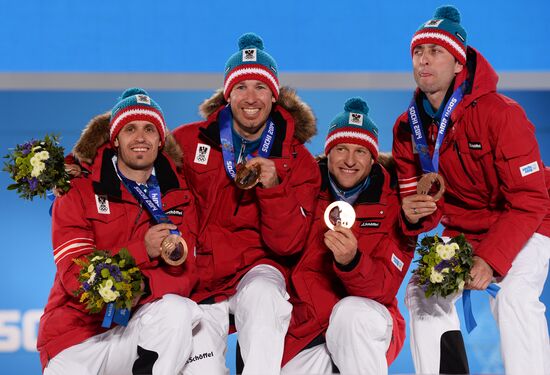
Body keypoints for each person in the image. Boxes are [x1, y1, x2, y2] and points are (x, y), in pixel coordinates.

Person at [392, 5, 550, 374]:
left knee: (513, 297)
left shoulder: (501, 113)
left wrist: (491, 259)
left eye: (436, 52)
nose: (424, 61)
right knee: (424, 291)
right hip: (463, 232)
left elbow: (530, 199)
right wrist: (414, 214)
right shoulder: (408, 127)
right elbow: (418, 210)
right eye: (418, 52)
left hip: (529, 222)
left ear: (459, 63)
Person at [172, 33, 320, 375]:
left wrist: (274, 188)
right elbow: (136, 154)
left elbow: (289, 244)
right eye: (241, 87)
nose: (250, 98)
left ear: (274, 94)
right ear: (227, 94)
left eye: (260, 87)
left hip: (255, 268)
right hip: (200, 279)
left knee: (266, 296)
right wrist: (82, 164)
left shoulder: (298, 160)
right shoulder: (188, 140)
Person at [37, 88, 202, 375]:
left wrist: (142, 287)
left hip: (134, 330)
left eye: (149, 129)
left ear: (160, 140)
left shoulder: (180, 196)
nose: (140, 137)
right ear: (115, 139)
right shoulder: (77, 191)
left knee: (178, 310)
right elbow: (77, 277)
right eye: (130, 129)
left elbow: (185, 273)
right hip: (75, 338)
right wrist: (143, 251)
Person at [281, 98, 415, 375]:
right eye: (341, 149)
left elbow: (384, 289)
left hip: (367, 319)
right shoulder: (303, 188)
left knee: (349, 313)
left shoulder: (394, 202)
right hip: (307, 328)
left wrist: (352, 262)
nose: (350, 161)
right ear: (328, 152)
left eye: (361, 152)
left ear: (373, 158)